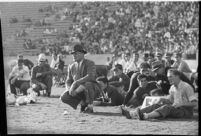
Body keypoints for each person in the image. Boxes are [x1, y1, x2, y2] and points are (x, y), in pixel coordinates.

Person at [121, 69, 197, 120]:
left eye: (171, 77)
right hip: (176, 109)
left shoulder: (186, 87)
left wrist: (181, 104)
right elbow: (170, 100)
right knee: (156, 105)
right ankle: (132, 114)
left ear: (177, 76)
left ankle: (145, 116)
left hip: (186, 112)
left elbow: (195, 103)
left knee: (167, 107)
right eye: (168, 77)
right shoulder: (172, 88)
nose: (168, 79)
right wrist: (162, 99)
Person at [60, 44, 101, 113]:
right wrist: (69, 89)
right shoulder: (71, 66)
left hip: (91, 89)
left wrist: (76, 82)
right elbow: (68, 80)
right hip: (77, 90)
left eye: (76, 53)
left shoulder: (90, 63)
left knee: (88, 84)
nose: (74, 55)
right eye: (73, 54)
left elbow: (91, 76)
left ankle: (90, 106)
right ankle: (83, 103)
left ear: (82, 54)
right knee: (64, 97)